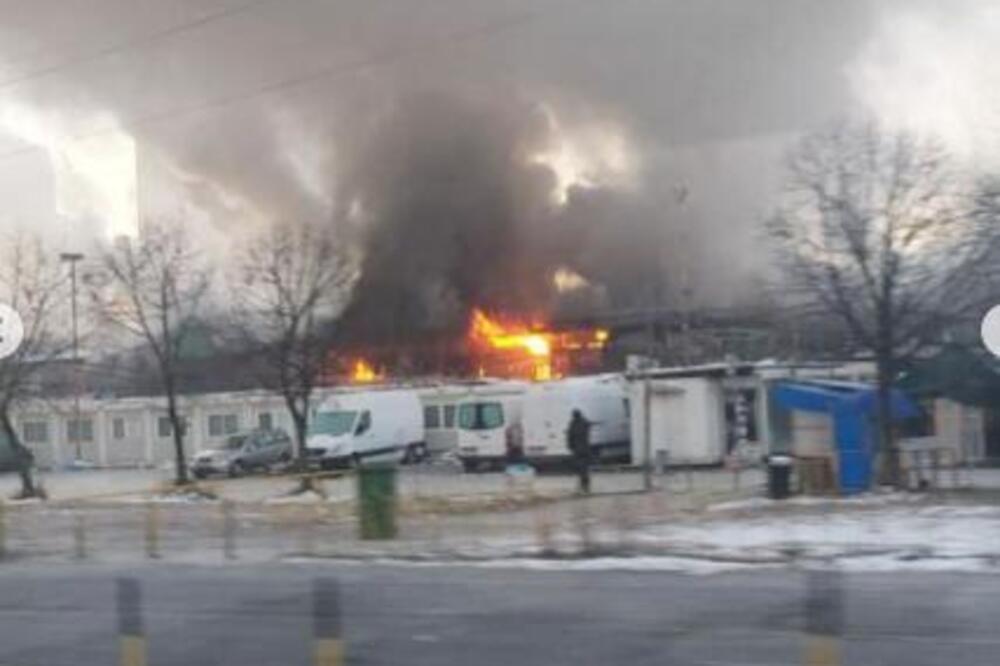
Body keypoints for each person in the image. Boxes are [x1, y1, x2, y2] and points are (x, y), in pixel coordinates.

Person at [566, 409, 592, 494]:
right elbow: (588, 429)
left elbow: (570, 437)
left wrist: (570, 446)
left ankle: (582, 486)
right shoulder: (585, 423)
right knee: (585, 469)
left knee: (580, 469)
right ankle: (586, 486)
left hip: (577, 450)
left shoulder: (573, 424)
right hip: (585, 449)